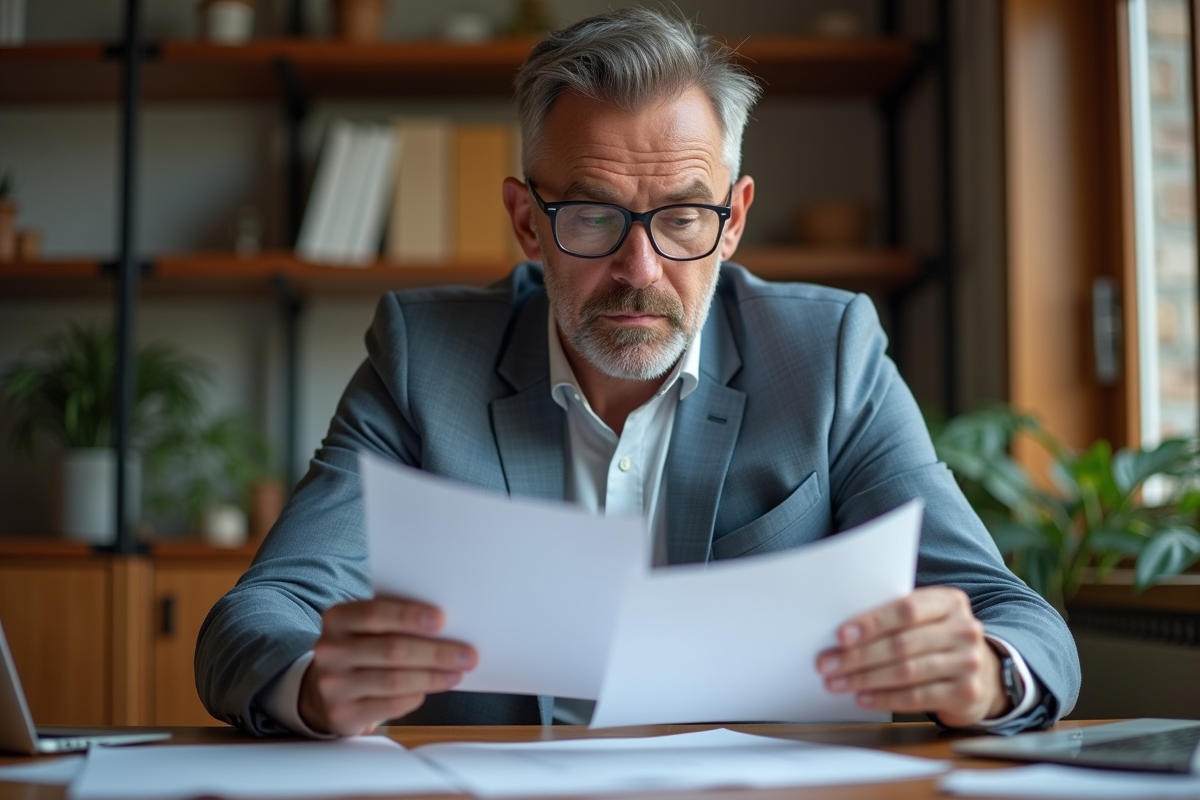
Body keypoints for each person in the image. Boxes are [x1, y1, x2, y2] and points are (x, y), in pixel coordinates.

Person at [196, 8, 1080, 738]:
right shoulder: (425, 358)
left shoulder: (830, 355)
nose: (640, 270)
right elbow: (261, 611)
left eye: (684, 218)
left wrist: (986, 675)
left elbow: (1018, 618)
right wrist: (310, 685)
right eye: (590, 216)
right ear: (526, 221)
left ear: (733, 223)